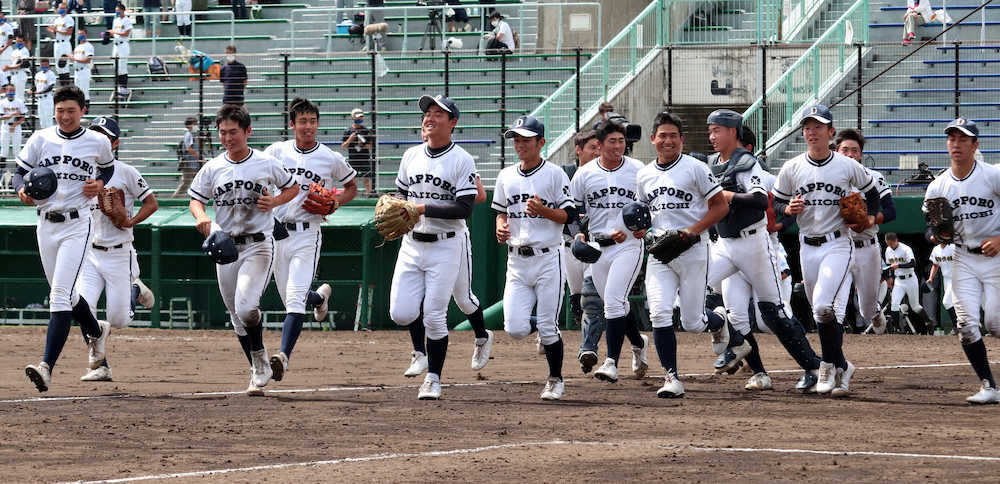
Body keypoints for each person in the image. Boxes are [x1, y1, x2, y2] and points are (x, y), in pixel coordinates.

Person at [704, 109, 820, 391]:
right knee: (702, 292)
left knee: (773, 314)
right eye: (710, 130)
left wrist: (728, 195)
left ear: (733, 132)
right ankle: (752, 364)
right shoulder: (710, 163)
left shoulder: (748, 164)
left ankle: (814, 367)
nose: (712, 136)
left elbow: (759, 200)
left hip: (754, 244)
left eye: (717, 130)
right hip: (724, 243)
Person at [187, 104, 298, 395]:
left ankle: (259, 359)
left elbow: (292, 188)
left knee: (246, 307)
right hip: (225, 246)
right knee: (235, 315)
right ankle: (258, 364)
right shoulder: (212, 167)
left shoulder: (265, 162)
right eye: (222, 132)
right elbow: (196, 199)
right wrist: (201, 217)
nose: (227, 138)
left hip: (258, 243)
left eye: (233, 132)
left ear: (247, 131)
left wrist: (274, 203)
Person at [773, 105, 882, 397]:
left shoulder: (846, 165)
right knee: (820, 312)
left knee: (823, 306)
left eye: (818, 126)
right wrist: (787, 209)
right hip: (806, 246)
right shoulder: (792, 167)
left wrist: (870, 218)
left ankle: (828, 365)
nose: (811, 132)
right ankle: (843, 366)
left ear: (830, 132)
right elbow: (775, 205)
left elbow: (873, 192)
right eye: (807, 127)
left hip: (838, 243)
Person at [16, 86, 114, 392]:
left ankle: (46, 367)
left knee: (59, 295)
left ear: (83, 110)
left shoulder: (97, 141)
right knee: (68, 297)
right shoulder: (40, 138)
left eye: (71, 110)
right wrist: (21, 190)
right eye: (60, 110)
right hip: (45, 223)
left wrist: (98, 182)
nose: (65, 116)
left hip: (77, 223)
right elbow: (19, 172)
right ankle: (97, 330)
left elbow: (108, 170)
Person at [635, 111, 733, 398]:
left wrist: (692, 231)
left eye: (673, 136)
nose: (668, 141)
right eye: (662, 135)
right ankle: (672, 378)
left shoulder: (695, 168)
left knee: (692, 322)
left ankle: (718, 320)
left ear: (682, 140)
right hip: (660, 253)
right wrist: (639, 229)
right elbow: (642, 213)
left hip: (692, 249)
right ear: (653, 139)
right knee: (660, 312)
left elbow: (720, 207)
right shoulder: (644, 174)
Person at [389, 94, 479, 400]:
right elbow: (401, 197)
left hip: (445, 245)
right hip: (412, 244)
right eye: (427, 112)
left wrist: (424, 209)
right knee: (400, 313)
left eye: (438, 113)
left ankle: (433, 378)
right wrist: (394, 209)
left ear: (452, 123)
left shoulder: (462, 159)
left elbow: (465, 208)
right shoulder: (411, 155)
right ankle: (422, 355)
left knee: (434, 316)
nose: (429, 117)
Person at [263, 98, 358, 382]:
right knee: (293, 297)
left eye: (312, 121)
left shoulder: (329, 158)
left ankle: (282, 356)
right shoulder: (276, 152)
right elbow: (258, 177)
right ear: (292, 125)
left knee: (293, 299)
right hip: (277, 233)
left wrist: (337, 202)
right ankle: (319, 298)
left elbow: (351, 186)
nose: (308, 126)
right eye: (302, 121)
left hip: (307, 234)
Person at [492, 115, 573, 400]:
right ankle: (543, 329)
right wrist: (500, 225)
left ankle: (555, 378)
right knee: (514, 328)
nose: (520, 144)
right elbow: (501, 211)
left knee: (550, 326)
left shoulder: (554, 174)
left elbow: (568, 215)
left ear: (541, 142)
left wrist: (544, 211)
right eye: (516, 138)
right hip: (516, 260)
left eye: (526, 139)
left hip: (548, 257)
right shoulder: (506, 175)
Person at [76, 116, 158, 381]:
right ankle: (100, 365)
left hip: (119, 251)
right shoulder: (81, 172)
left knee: (119, 319)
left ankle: (136, 289)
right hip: (89, 252)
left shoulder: (126, 172)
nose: (100, 141)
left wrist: (130, 221)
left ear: (115, 143)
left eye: (106, 138)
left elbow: (151, 203)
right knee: (83, 307)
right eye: (95, 135)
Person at [923, 118, 1000, 403]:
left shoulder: (992, 176)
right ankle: (988, 386)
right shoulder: (938, 186)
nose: (956, 144)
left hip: (996, 256)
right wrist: (935, 237)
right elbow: (929, 226)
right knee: (966, 325)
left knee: (995, 323)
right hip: (963, 258)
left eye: (963, 139)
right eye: (952, 139)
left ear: (975, 145)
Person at [568, 120, 648, 384]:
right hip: (598, 248)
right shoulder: (585, 173)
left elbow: (652, 206)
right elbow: (573, 210)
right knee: (618, 306)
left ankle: (611, 362)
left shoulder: (637, 170)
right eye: (612, 141)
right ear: (599, 145)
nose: (617, 146)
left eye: (621, 141)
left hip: (628, 246)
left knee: (613, 302)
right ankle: (638, 344)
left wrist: (645, 227)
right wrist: (579, 232)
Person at [835, 128, 895, 334]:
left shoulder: (874, 178)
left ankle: (875, 313)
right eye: (845, 150)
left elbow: (890, 211)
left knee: (866, 308)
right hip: (839, 245)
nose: (850, 154)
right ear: (836, 151)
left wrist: (870, 219)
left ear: (861, 154)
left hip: (866, 247)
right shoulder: (829, 179)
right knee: (835, 305)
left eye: (855, 150)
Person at [564, 130, 605, 372]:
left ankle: (587, 348)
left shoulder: (601, 176)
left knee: (592, 300)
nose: (597, 152)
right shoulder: (566, 174)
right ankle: (636, 340)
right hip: (569, 244)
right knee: (577, 303)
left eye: (599, 147)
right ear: (579, 150)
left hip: (596, 245)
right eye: (592, 147)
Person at [884, 232, 933, 334]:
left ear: (896, 240)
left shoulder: (905, 249)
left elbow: (912, 263)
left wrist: (899, 266)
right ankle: (896, 329)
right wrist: (890, 278)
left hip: (910, 279)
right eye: (888, 244)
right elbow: (889, 266)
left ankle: (928, 322)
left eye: (891, 244)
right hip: (898, 280)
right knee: (894, 303)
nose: (890, 246)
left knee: (915, 306)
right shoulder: (888, 250)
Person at [341, 107, 375, 196]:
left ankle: (368, 194)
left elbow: (371, 146)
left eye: (361, 117)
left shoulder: (367, 131)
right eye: (357, 117)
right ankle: (352, 196)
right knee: (353, 180)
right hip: (353, 159)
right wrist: (350, 139)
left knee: (367, 179)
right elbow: (343, 146)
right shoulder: (348, 131)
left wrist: (362, 144)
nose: (359, 119)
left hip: (364, 159)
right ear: (352, 117)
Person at [927, 240, 956, 331]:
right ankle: (960, 325)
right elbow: (935, 265)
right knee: (953, 303)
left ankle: (957, 326)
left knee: (947, 302)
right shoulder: (936, 249)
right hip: (946, 279)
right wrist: (931, 278)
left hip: (957, 278)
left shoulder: (954, 247)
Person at [172, 116, 201, 197]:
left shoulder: (193, 135)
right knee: (186, 183)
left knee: (198, 181)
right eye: (195, 124)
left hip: (194, 164)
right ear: (189, 125)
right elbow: (189, 148)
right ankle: (174, 199)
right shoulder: (189, 135)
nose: (196, 126)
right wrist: (199, 156)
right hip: (189, 164)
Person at [0, 84, 26, 170]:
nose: (11, 92)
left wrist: (14, 125)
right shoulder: (2, 102)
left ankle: (18, 172)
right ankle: (1, 170)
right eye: (9, 91)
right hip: (5, 126)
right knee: (4, 149)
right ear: (6, 91)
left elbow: (23, 117)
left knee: (17, 149)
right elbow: (2, 117)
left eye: (12, 91)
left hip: (16, 127)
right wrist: (14, 114)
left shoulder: (19, 102)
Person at [48, 4, 75, 84]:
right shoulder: (57, 20)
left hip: (65, 43)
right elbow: (56, 34)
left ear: (66, 9)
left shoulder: (69, 19)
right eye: (60, 8)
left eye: (63, 8)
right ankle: (62, 84)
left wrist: (56, 30)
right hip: (57, 43)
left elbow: (69, 32)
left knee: (64, 64)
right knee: (58, 66)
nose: (61, 10)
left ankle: (66, 84)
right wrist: (52, 31)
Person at [110, 3, 131, 93]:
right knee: (116, 66)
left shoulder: (127, 20)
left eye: (118, 11)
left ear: (123, 10)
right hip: (116, 44)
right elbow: (113, 33)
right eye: (116, 11)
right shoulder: (116, 20)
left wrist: (115, 32)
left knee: (122, 66)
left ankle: (123, 86)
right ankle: (118, 86)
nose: (117, 12)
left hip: (123, 44)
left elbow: (126, 33)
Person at [31, 58, 57, 129]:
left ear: (48, 65)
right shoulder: (38, 74)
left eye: (45, 65)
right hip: (39, 100)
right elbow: (36, 86)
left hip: (47, 98)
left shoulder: (51, 74)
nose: (44, 66)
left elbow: (50, 87)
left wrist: (40, 92)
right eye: (42, 65)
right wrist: (31, 91)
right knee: (42, 121)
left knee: (48, 121)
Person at [72, 30, 94, 112]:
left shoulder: (88, 46)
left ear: (86, 35)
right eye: (79, 34)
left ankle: (86, 110)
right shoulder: (77, 47)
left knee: (84, 91)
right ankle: (79, 109)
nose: (80, 35)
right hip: (77, 71)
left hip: (84, 70)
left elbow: (88, 60)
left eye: (82, 34)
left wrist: (75, 59)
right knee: (77, 92)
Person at [3, 35, 30, 101]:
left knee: (19, 96)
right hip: (13, 75)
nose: (18, 43)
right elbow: (13, 63)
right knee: (14, 96)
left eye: (20, 41)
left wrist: (9, 68)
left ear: (24, 42)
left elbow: (24, 64)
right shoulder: (14, 52)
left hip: (20, 74)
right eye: (17, 41)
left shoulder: (25, 51)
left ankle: (22, 111)